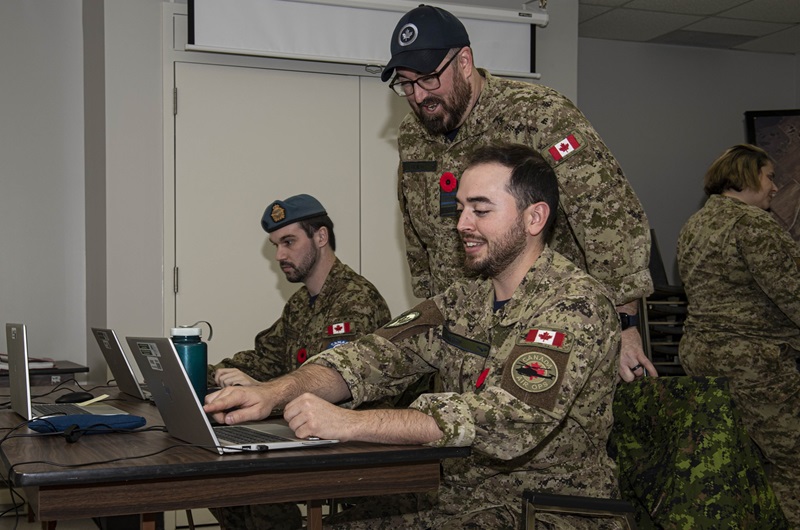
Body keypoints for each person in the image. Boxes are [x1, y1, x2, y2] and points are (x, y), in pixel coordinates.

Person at [205, 143, 623, 529]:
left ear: (534, 217)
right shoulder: (464, 298)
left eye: (481, 210)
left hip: (547, 507)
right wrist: (276, 392)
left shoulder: (574, 304)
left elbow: (508, 420)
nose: (462, 224)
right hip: (459, 495)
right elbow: (373, 355)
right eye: (460, 208)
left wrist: (350, 423)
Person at [380, 4, 654, 382]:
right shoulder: (414, 135)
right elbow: (416, 233)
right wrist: (433, 317)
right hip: (465, 333)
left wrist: (625, 322)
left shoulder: (537, 114)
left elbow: (607, 214)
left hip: (545, 326)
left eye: (427, 78)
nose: (418, 95)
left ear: (463, 62)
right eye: (406, 84)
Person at [208, 193, 391, 530]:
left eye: (289, 242)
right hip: (303, 429)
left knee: (249, 481)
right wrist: (204, 376)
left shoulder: (356, 299)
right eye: (276, 244)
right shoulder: (300, 304)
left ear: (320, 237)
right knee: (224, 478)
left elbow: (337, 384)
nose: (280, 255)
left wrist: (264, 389)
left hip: (350, 440)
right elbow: (264, 357)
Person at [677, 144, 800, 526]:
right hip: (754, 363)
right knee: (792, 458)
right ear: (746, 175)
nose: (775, 187)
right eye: (769, 175)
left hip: (701, 355)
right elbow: (792, 292)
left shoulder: (696, 224)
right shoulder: (753, 224)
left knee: (735, 458)